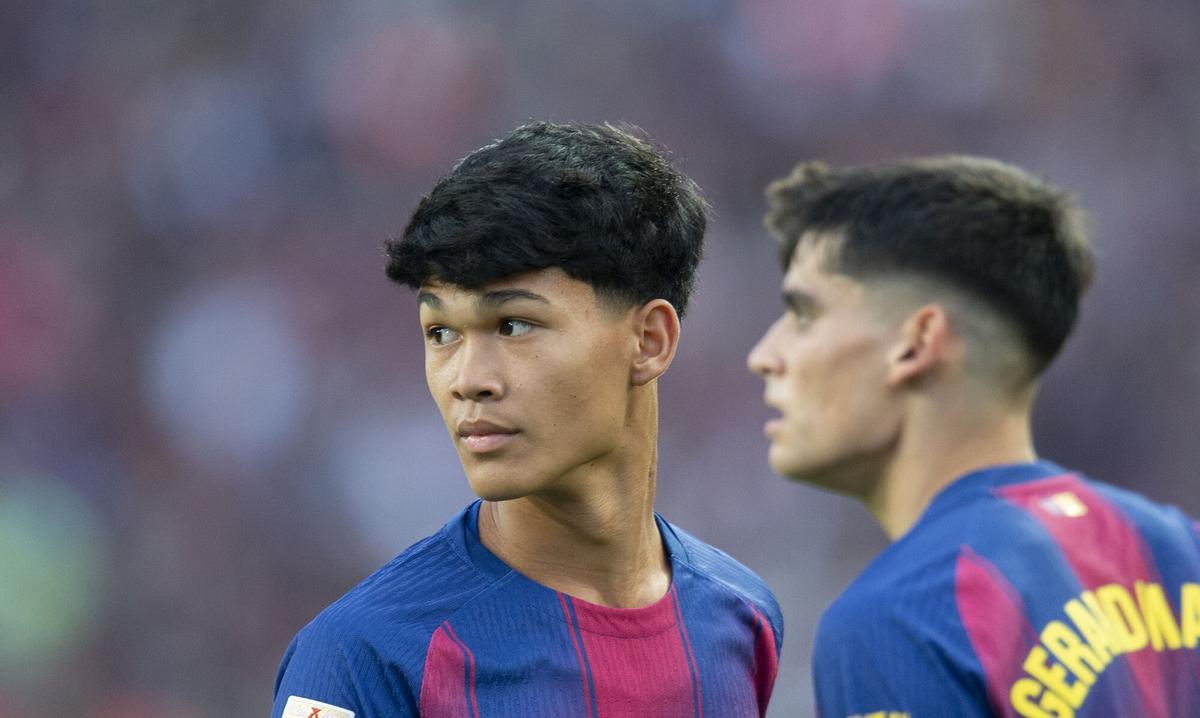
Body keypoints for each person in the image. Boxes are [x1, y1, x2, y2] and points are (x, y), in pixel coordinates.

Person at [272, 121, 782, 718]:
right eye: (440, 333)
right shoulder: (361, 659)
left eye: (512, 324)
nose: (467, 378)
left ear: (648, 340)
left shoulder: (744, 619)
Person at [747, 156, 1200, 718]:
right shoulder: (1180, 550)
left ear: (916, 343)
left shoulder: (900, 617)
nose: (764, 356)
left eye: (804, 313)